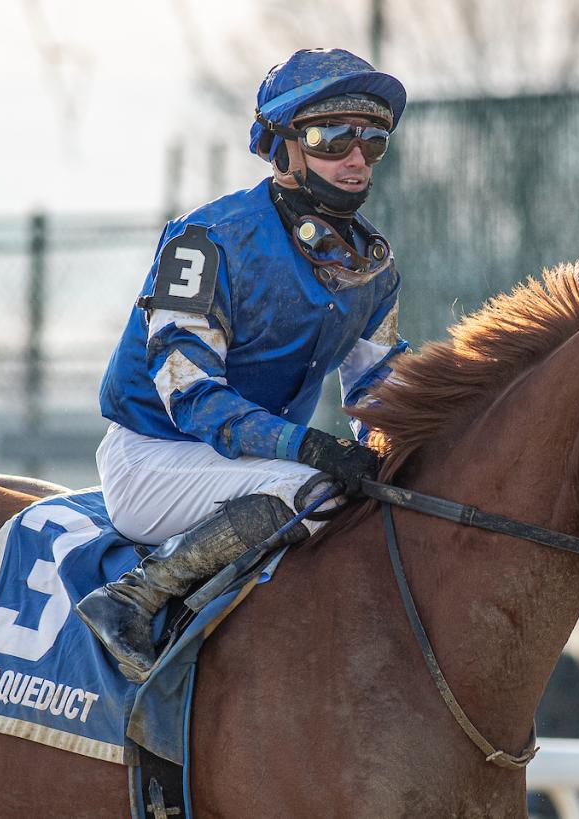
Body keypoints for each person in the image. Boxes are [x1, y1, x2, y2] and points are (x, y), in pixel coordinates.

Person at [74, 48, 410, 682]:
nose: (357, 156)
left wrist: (410, 446)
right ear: (281, 147)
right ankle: (133, 598)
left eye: (373, 140)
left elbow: (379, 385)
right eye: (333, 136)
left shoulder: (373, 268)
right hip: (153, 457)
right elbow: (189, 393)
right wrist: (310, 447)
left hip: (256, 465)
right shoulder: (205, 240)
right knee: (310, 488)